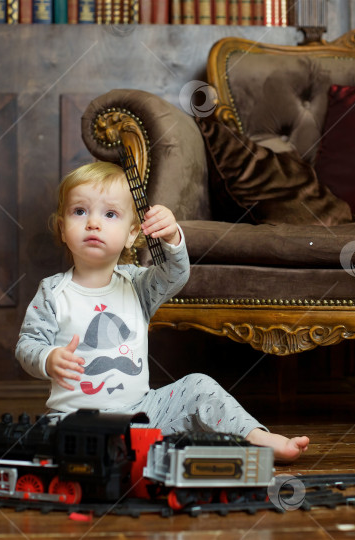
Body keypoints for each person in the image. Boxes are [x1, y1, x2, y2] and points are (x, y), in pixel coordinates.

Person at [16, 162, 309, 462]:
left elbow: (175, 275)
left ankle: (256, 437)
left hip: (142, 415)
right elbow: (28, 345)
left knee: (199, 385)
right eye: (80, 211)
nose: (93, 223)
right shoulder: (53, 292)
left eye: (110, 214)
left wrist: (172, 237)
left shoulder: (137, 284)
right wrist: (48, 358)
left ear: (132, 234)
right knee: (46, 442)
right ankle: (122, 456)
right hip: (73, 418)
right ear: (63, 229)